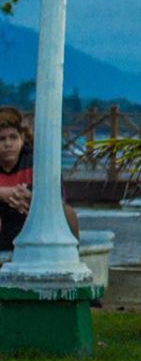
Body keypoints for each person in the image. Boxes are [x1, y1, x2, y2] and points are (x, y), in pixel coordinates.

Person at [0, 105, 79, 253]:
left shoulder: (39, 161)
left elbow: (58, 196)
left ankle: (72, 257)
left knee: (68, 213)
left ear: (22, 139)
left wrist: (32, 197)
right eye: (2, 139)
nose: (8, 144)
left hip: (33, 221)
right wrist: (5, 193)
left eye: (13, 137)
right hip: (3, 225)